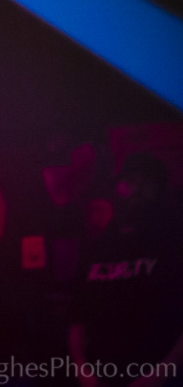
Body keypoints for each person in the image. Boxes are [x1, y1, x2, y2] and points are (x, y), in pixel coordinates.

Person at [67, 152, 183, 387]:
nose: (135, 192)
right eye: (129, 182)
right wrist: (82, 368)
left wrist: (160, 374)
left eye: (144, 184)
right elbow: (77, 317)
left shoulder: (174, 243)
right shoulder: (97, 247)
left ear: (157, 190)